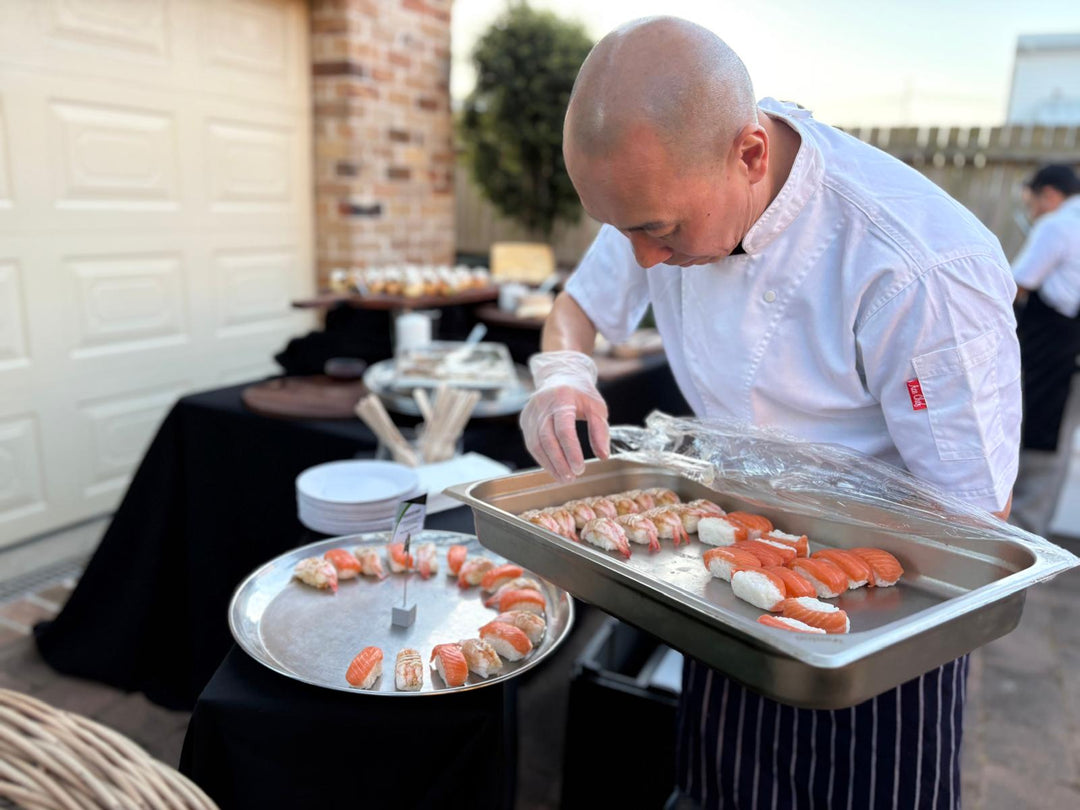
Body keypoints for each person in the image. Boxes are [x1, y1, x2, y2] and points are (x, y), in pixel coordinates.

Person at [519, 16, 1020, 810]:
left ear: (749, 155)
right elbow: (577, 308)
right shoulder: (661, 180)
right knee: (718, 790)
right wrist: (562, 371)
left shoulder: (919, 269)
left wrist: (819, 569)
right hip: (726, 581)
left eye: (660, 231)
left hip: (883, 619)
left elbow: (977, 520)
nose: (645, 259)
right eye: (625, 230)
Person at [1009, 165, 1080, 535]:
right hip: (1069, 358)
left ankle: (1019, 543)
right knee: (1058, 449)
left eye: (1032, 203)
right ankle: (1037, 539)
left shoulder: (1057, 225)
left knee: (1037, 445)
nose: (1032, 212)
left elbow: (1017, 284)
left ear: (1049, 195)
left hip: (1054, 356)